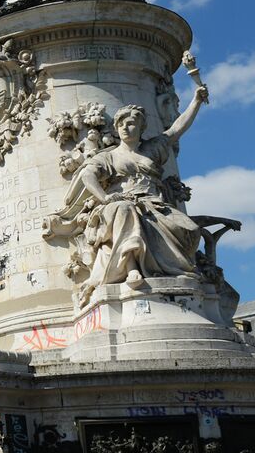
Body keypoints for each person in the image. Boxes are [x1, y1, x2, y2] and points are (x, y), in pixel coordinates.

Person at [45, 93, 209, 308]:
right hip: (121, 201)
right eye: (121, 124)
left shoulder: (153, 149)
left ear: (141, 128)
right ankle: (130, 266)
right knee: (125, 210)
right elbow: (87, 175)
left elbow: (177, 129)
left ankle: (176, 271)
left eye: (131, 124)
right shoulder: (110, 156)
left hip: (154, 202)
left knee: (189, 228)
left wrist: (196, 101)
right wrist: (104, 198)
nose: (125, 128)